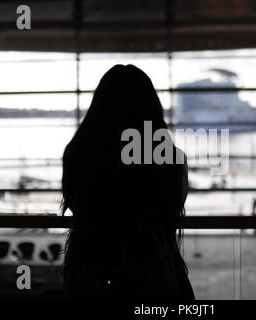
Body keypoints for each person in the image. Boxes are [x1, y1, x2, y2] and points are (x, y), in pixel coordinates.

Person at [61, 64, 195, 300]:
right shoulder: (169, 158)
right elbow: (172, 206)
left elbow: (76, 203)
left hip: (90, 268)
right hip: (152, 271)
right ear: (152, 108)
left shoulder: (78, 154)